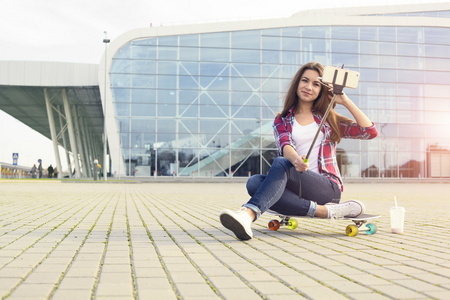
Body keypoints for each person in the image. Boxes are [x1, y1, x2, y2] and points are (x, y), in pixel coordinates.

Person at [219, 62, 378, 240]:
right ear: (297, 83)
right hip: (297, 183)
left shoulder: (329, 120)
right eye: (305, 81)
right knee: (254, 183)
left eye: (316, 84)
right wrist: (295, 160)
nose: (309, 87)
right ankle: (324, 212)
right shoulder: (282, 120)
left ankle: (248, 214)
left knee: (279, 165)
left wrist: (345, 100)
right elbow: (285, 146)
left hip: (327, 187)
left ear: (322, 89)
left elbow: (369, 132)